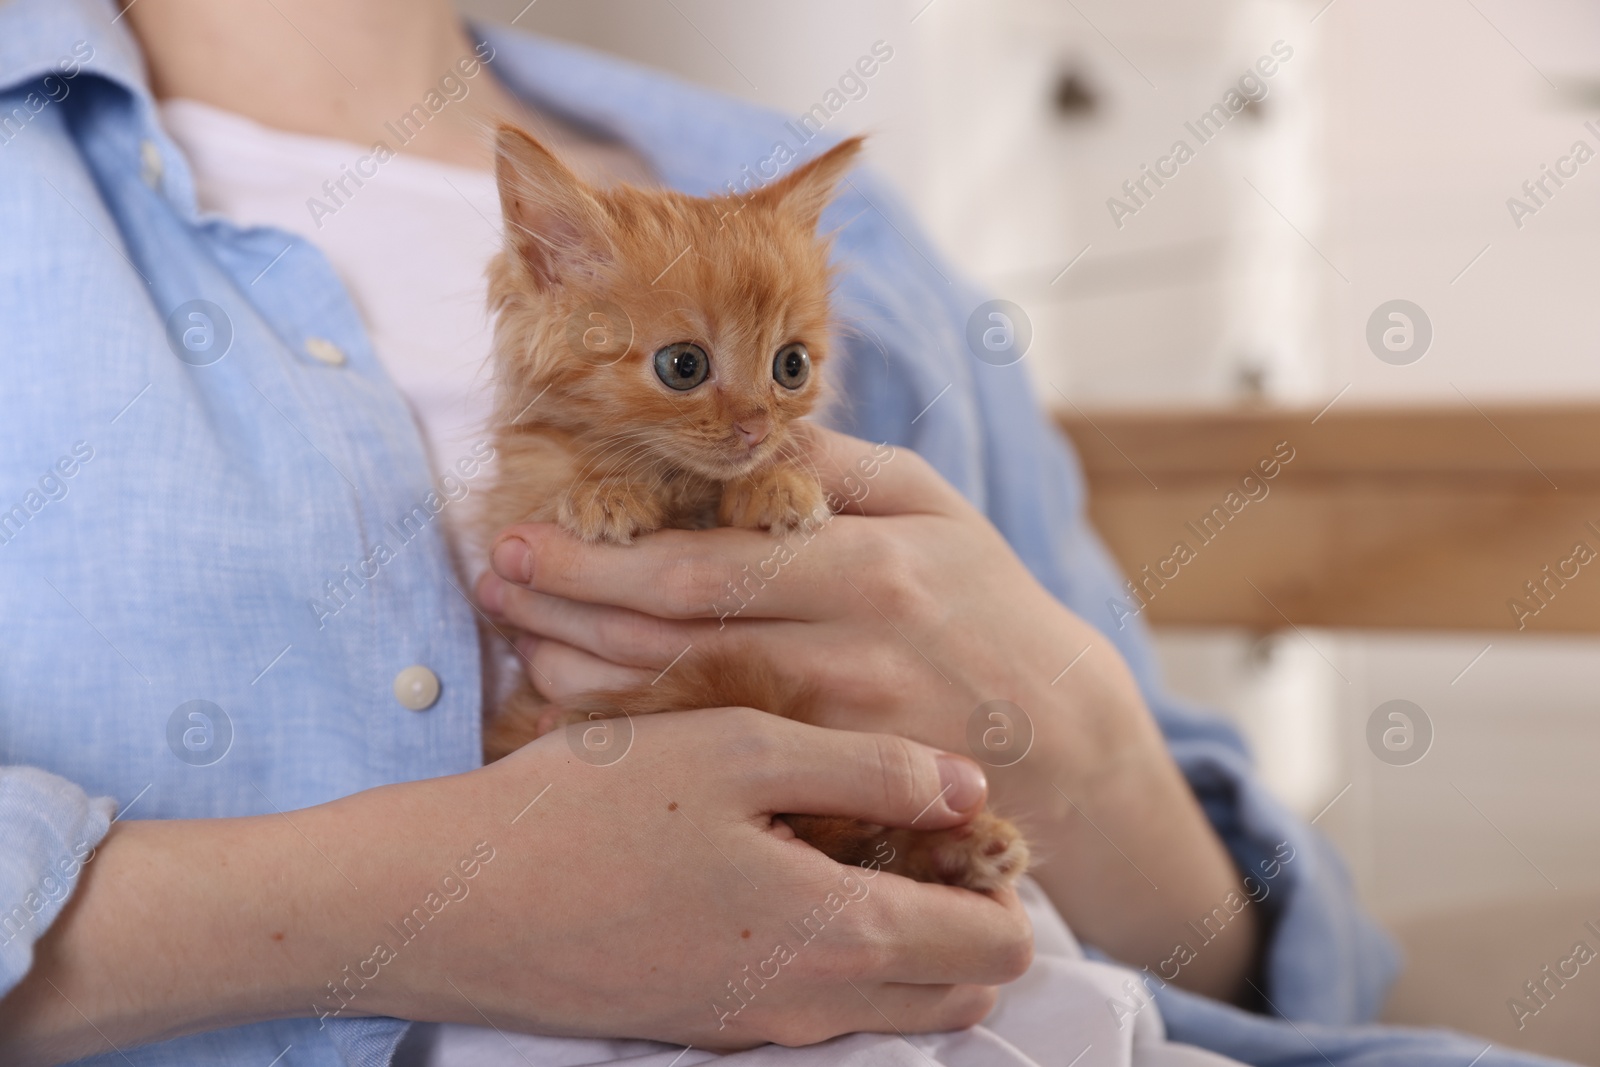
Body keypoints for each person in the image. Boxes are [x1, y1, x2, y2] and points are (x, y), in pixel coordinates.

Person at [0, 0, 1569, 1065]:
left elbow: (1266, 977)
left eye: (786, 373)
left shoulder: (837, 222)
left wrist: (1075, 740)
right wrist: (417, 909)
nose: (753, 408)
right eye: (686, 369)